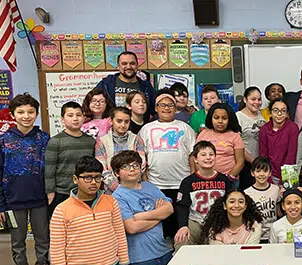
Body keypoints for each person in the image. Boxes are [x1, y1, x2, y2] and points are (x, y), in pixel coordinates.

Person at [50, 156, 129, 265]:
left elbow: (120, 235)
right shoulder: (61, 210)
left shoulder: (111, 202)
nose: (93, 182)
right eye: (87, 178)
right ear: (75, 179)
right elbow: (56, 249)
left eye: (97, 177)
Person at [0, 94, 53, 265]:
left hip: (40, 198)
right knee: (18, 240)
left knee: (42, 238)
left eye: (31, 112)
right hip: (13, 201)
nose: (26, 116)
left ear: (37, 114)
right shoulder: (4, 141)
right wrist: (1, 205)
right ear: (13, 114)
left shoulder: (44, 138)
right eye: (21, 112)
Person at [111, 151, 173, 265]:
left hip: (164, 251)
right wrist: (158, 215)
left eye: (135, 165)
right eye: (126, 166)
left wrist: (140, 215)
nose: (132, 169)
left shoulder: (150, 187)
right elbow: (131, 227)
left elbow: (169, 209)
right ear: (117, 173)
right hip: (140, 258)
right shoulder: (117, 197)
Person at [137, 91, 196, 241]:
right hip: (156, 184)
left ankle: (179, 251)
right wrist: (145, 182)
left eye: (170, 105)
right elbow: (142, 157)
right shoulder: (146, 129)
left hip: (181, 182)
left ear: (175, 108)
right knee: (160, 223)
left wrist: (192, 177)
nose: (166, 108)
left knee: (181, 221)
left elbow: (192, 155)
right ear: (156, 108)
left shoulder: (185, 127)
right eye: (162, 105)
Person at [174, 141, 231, 246]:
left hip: (218, 222)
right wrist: (183, 226)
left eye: (211, 154)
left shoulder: (224, 180)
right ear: (195, 159)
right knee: (181, 239)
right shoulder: (188, 182)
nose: (208, 158)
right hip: (196, 221)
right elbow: (182, 206)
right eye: (203, 155)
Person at [45, 102, 96, 219]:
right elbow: (49, 170)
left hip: (84, 193)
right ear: (62, 119)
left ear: (83, 117)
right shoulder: (55, 141)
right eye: (70, 115)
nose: (75, 119)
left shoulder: (90, 141)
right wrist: (50, 193)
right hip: (61, 193)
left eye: (78, 115)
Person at [95, 107, 145, 195]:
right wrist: (116, 187)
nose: (123, 125)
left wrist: (132, 183)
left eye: (126, 122)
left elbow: (142, 164)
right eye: (119, 121)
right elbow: (101, 167)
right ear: (111, 121)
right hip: (111, 191)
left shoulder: (136, 139)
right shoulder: (102, 142)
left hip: (135, 187)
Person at [197, 103, 245, 187]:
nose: (220, 121)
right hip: (205, 180)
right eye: (216, 118)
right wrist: (202, 176)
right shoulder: (203, 134)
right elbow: (196, 157)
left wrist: (229, 178)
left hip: (230, 180)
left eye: (224, 118)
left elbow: (240, 162)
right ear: (210, 118)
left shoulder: (235, 136)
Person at [259, 98, 299, 185]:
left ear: (287, 114)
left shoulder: (293, 127)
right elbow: (263, 155)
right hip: (269, 173)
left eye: (283, 111)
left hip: (289, 172)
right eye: (275, 110)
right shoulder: (264, 129)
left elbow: (291, 155)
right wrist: (268, 178)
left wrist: (284, 181)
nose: (279, 114)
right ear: (270, 112)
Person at [236, 87, 267, 190]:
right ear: (245, 100)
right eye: (253, 99)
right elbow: (236, 145)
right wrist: (253, 161)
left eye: (259, 99)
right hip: (246, 165)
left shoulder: (261, 115)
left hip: (261, 164)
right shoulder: (238, 117)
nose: (257, 102)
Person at [244, 157, 281, 242]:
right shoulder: (247, 193)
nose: (261, 174)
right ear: (252, 173)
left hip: (273, 234)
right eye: (258, 171)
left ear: (270, 173)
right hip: (255, 234)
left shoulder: (275, 189)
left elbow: (278, 212)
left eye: (265, 171)